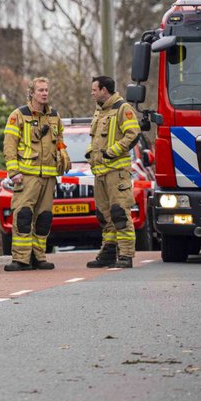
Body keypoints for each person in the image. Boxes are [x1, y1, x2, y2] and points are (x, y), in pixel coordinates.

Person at [2, 76, 68, 272]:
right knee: (23, 216)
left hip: (49, 176)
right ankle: (21, 259)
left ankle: (39, 257)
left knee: (43, 219)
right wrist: (13, 171)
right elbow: (9, 145)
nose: (45, 93)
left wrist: (63, 153)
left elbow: (60, 139)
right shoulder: (18, 115)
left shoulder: (54, 116)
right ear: (31, 93)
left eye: (46, 90)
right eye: (40, 90)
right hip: (26, 176)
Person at [87, 75, 142, 269]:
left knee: (119, 213)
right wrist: (90, 153)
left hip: (117, 172)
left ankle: (125, 254)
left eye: (94, 90)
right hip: (100, 172)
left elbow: (133, 135)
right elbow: (96, 138)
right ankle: (109, 252)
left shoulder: (122, 109)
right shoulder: (100, 111)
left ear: (104, 90)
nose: (92, 93)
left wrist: (113, 151)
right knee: (104, 215)